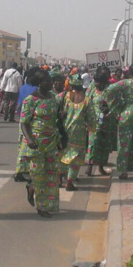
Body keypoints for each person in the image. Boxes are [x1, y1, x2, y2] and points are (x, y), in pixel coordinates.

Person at [20, 69, 63, 217]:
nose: (51, 83)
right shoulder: (31, 100)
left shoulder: (53, 98)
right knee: (39, 175)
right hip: (36, 143)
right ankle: (41, 207)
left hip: (51, 141)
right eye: (47, 81)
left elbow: (57, 116)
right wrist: (30, 139)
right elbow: (24, 123)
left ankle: (47, 202)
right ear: (40, 83)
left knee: (51, 175)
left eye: (51, 80)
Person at [103, 63, 133, 180]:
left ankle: (124, 172)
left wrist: (116, 107)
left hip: (126, 114)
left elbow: (108, 91)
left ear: (129, 72)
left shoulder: (124, 83)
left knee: (124, 143)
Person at [60, 75, 95, 191]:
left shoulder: (65, 96)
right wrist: (92, 129)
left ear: (71, 85)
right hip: (79, 132)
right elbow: (91, 117)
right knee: (76, 157)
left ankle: (60, 178)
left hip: (65, 129)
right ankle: (69, 181)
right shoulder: (86, 100)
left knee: (63, 153)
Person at [86, 66, 116, 176]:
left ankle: (101, 167)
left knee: (104, 145)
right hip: (94, 121)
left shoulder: (110, 88)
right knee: (93, 143)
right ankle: (89, 166)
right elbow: (86, 100)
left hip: (107, 121)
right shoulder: (92, 87)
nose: (97, 84)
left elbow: (116, 103)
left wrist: (109, 109)